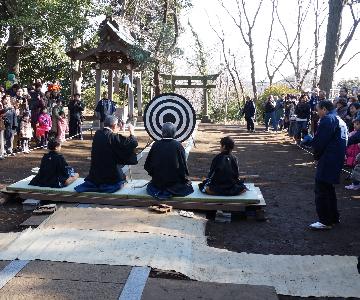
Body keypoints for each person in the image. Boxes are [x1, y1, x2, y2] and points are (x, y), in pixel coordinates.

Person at [309, 100, 348, 230]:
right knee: (328, 188)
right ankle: (333, 217)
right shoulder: (338, 119)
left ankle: (325, 220)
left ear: (324, 109)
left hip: (329, 157)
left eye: (318, 109)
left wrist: (316, 156)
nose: (317, 112)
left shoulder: (328, 119)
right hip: (337, 157)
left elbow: (320, 141)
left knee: (321, 189)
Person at [75, 115, 138, 193]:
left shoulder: (97, 134)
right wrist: (132, 131)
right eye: (117, 125)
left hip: (95, 175)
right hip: (110, 175)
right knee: (122, 178)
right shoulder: (113, 137)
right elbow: (133, 143)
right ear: (114, 125)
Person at [144, 122, 194, 200]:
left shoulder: (156, 145)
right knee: (186, 186)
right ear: (174, 133)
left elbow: (148, 165)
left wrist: (156, 175)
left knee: (152, 186)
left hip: (158, 183)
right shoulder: (178, 146)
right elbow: (183, 167)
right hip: (174, 183)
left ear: (162, 132)